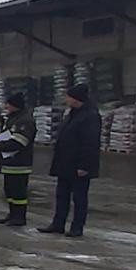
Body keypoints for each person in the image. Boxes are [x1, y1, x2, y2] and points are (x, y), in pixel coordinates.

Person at [41, 85, 102, 238]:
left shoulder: (90, 116)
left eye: (68, 97)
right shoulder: (72, 114)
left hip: (79, 165)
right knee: (62, 195)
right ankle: (58, 223)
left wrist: (84, 166)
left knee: (79, 198)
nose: (66, 99)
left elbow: (91, 143)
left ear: (76, 99)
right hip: (65, 163)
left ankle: (77, 227)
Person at [0, 93, 36, 227]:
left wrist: (0, 146)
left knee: (19, 192)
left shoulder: (25, 121)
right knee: (9, 191)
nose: (6, 106)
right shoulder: (12, 119)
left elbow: (20, 142)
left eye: (8, 104)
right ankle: (12, 214)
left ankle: (19, 217)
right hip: (9, 162)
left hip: (20, 163)